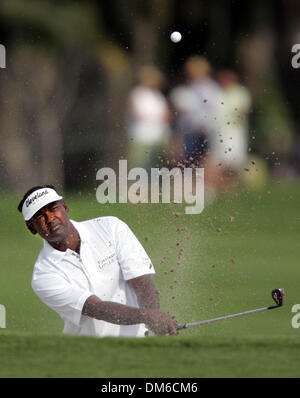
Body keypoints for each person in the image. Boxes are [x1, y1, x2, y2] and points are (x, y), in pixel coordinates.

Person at [17, 185, 178, 337]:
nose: (50, 218)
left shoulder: (110, 227)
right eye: (40, 217)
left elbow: (141, 281)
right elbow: (95, 308)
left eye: (53, 209)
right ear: (31, 228)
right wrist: (149, 317)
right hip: (91, 354)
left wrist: (154, 317)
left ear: (65, 208)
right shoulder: (44, 275)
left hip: (139, 343)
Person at [169, 55, 223, 168]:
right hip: (190, 130)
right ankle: (189, 182)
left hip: (208, 129)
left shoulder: (212, 88)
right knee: (189, 158)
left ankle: (205, 182)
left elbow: (216, 108)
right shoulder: (186, 89)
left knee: (207, 159)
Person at [126, 65, 172, 171]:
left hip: (159, 134)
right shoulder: (137, 93)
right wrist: (155, 119)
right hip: (142, 135)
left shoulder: (158, 95)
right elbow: (136, 114)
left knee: (158, 164)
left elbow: (167, 114)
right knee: (140, 164)